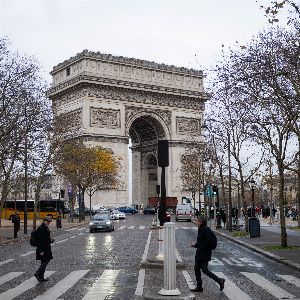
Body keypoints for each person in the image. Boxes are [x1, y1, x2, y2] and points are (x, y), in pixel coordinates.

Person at [189, 216, 225, 293]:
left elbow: (208, 241)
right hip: (200, 252)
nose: (196, 222)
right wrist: (195, 245)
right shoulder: (201, 229)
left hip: (204, 253)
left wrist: (201, 246)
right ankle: (199, 287)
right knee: (196, 268)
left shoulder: (205, 229)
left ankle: (219, 280)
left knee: (204, 269)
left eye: (197, 221)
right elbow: (202, 241)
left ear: (201, 222)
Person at [34, 216, 55, 282]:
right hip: (43, 248)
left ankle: (41, 277)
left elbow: (45, 238)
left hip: (46, 247)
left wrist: (50, 240)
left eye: (49, 222)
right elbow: (39, 240)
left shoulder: (45, 227)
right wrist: (41, 250)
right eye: (48, 222)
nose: (49, 223)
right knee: (46, 261)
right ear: (44, 221)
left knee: (44, 261)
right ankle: (37, 273)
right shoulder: (40, 228)